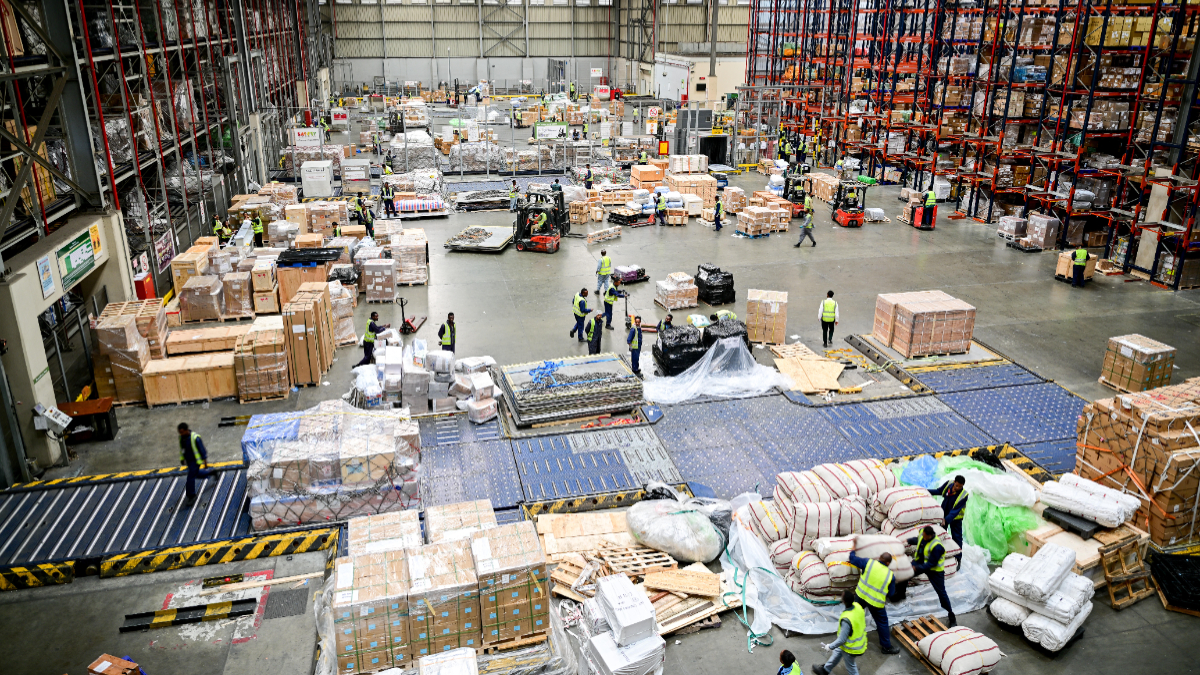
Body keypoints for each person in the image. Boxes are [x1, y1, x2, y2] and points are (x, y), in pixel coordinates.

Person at [848, 551, 902, 655]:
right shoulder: (890, 575)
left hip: (861, 595)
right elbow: (891, 594)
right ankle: (886, 647)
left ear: (879, 558)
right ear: (887, 563)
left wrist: (853, 551)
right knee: (882, 622)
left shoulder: (868, 562)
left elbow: (853, 560)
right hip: (875, 602)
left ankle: (847, 634)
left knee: (853, 615)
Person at [903, 526, 956, 627]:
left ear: (930, 535)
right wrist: (908, 540)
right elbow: (918, 540)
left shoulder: (937, 546)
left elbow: (931, 564)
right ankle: (901, 594)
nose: (922, 537)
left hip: (934, 571)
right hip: (921, 563)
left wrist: (916, 568)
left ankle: (951, 615)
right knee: (905, 573)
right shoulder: (923, 534)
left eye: (924, 536)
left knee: (942, 593)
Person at [811, 590, 868, 675]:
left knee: (851, 667)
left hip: (851, 648)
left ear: (844, 601)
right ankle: (825, 670)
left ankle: (826, 669)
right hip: (853, 642)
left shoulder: (847, 619)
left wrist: (830, 646)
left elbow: (842, 639)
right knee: (837, 653)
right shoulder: (858, 606)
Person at [177, 423, 212, 508]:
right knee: (196, 474)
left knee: (190, 477)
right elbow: (182, 449)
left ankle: (191, 496)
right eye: (179, 432)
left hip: (196, 461)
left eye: (182, 432)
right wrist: (182, 458)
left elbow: (202, 450)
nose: (181, 434)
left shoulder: (195, 438)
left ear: (186, 430)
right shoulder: (181, 438)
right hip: (189, 461)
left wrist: (205, 462)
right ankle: (211, 472)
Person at [931, 475, 967, 554]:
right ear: (954, 482)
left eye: (960, 486)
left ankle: (957, 557)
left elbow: (955, 510)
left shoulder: (964, 495)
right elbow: (939, 491)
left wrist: (946, 520)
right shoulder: (949, 484)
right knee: (941, 534)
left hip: (956, 519)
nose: (957, 488)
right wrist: (927, 491)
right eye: (956, 485)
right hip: (944, 513)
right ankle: (940, 552)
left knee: (957, 538)